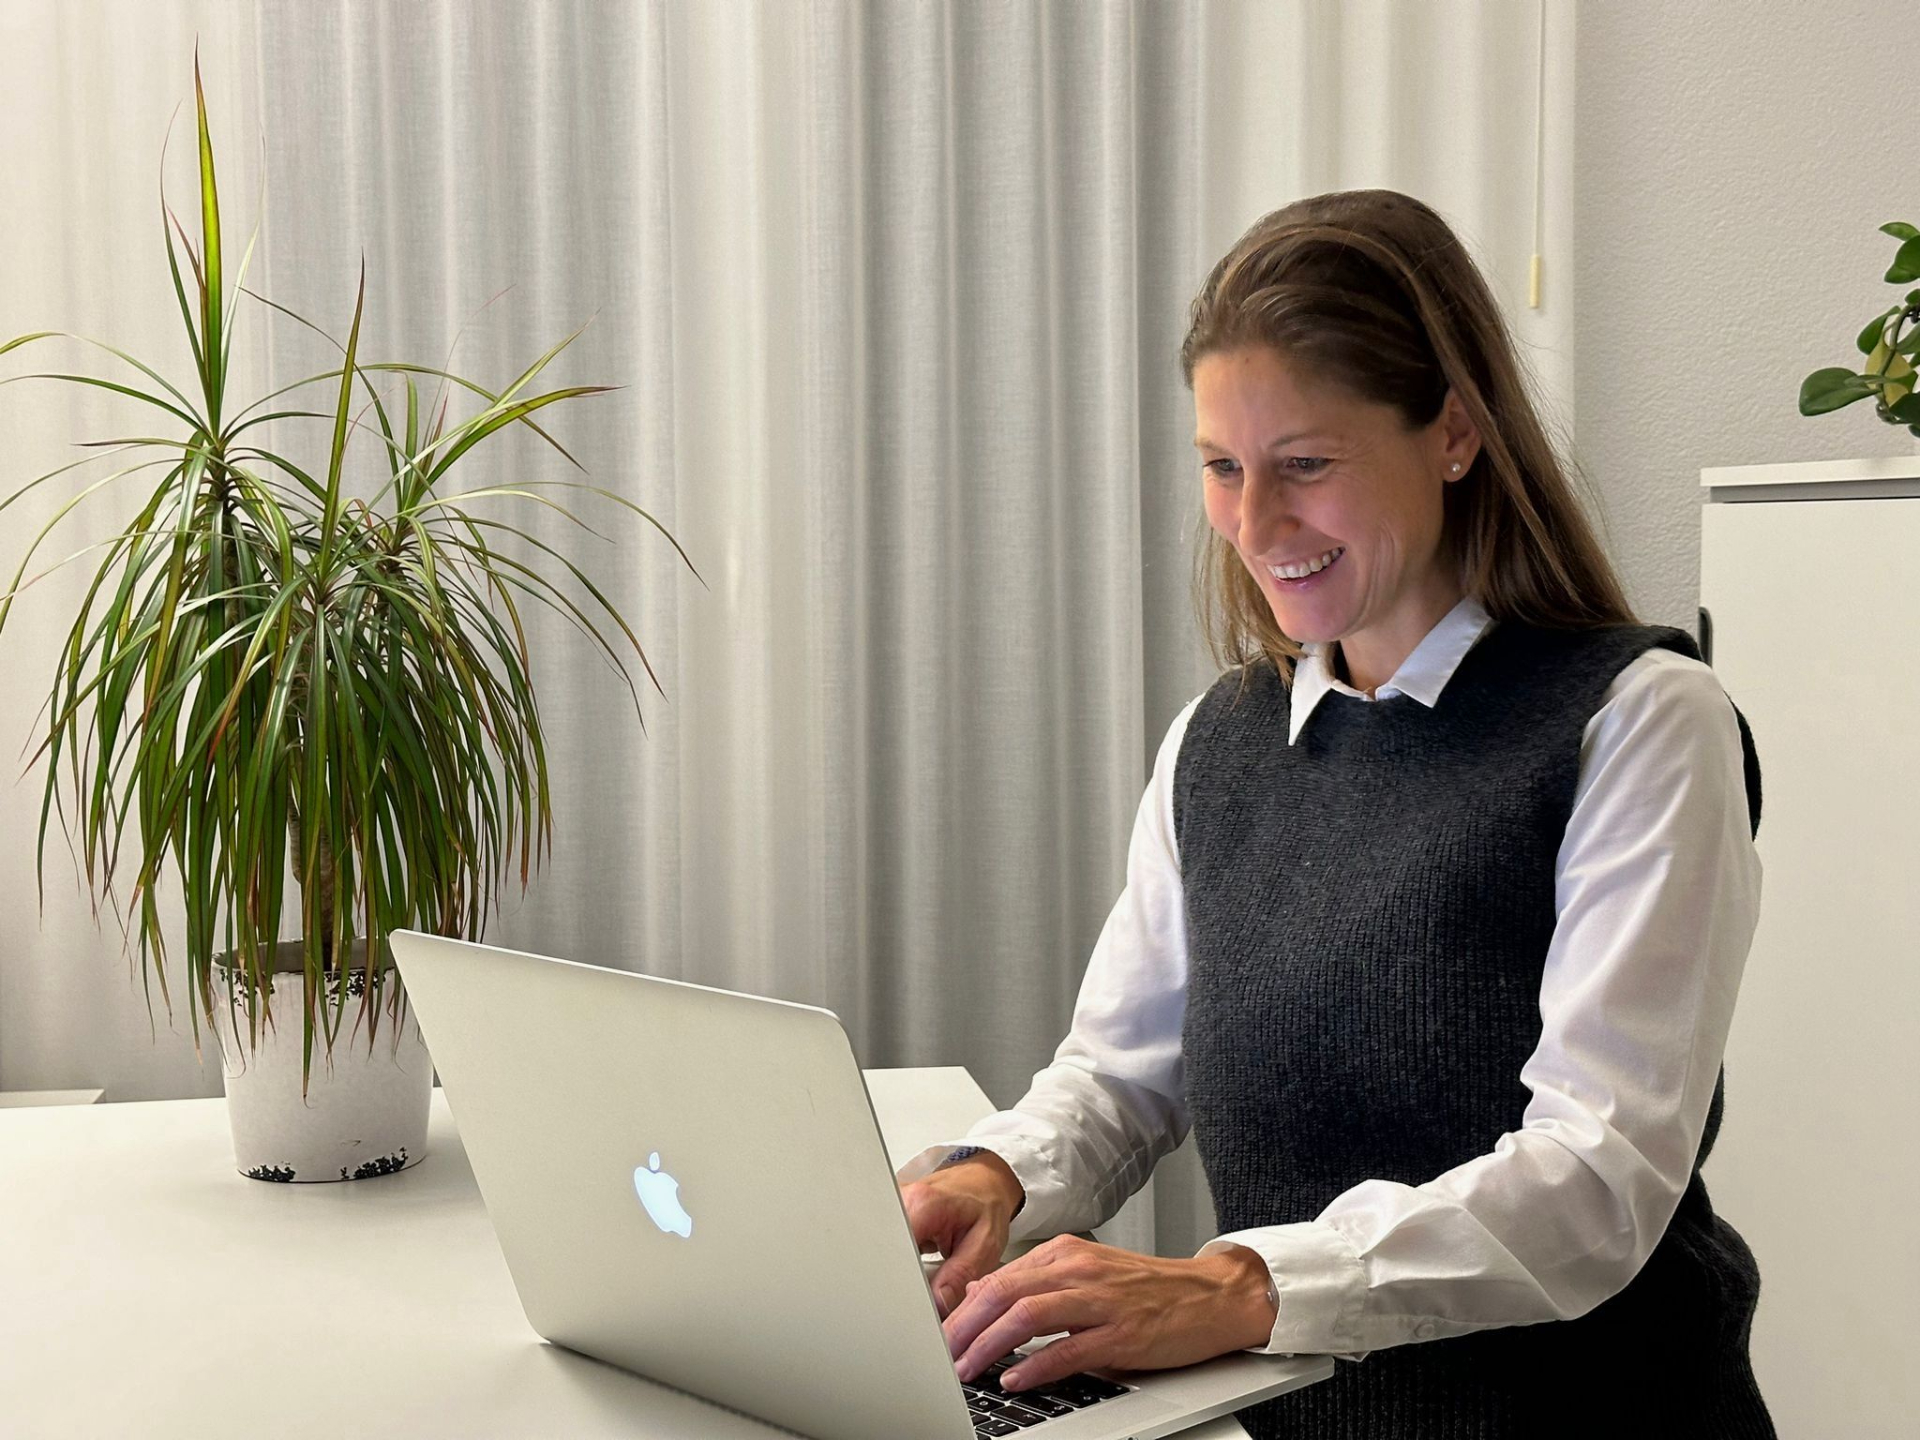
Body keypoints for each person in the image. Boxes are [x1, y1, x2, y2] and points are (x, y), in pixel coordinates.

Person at [895, 189, 1775, 1438]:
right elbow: (1119, 1075)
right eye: (1223, 468)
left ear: (1455, 433)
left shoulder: (1638, 722)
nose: (1255, 524)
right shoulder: (1220, 742)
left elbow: (1596, 1183)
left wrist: (1235, 1288)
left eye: (1305, 465)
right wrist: (995, 1178)